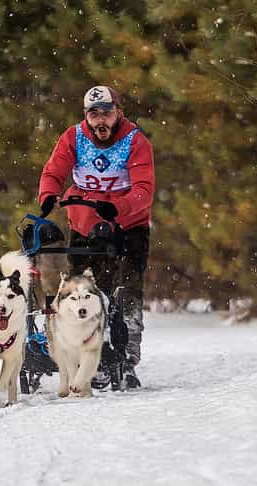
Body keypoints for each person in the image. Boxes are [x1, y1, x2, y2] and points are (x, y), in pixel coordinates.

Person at [37, 85, 155, 388]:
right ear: (86, 117)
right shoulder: (73, 137)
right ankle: (95, 356)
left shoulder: (135, 140)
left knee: (127, 291)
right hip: (84, 223)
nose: (100, 120)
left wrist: (117, 207)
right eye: (94, 114)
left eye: (106, 112)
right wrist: (49, 195)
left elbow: (144, 190)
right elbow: (53, 172)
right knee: (86, 292)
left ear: (119, 112)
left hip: (129, 224)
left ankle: (127, 358)